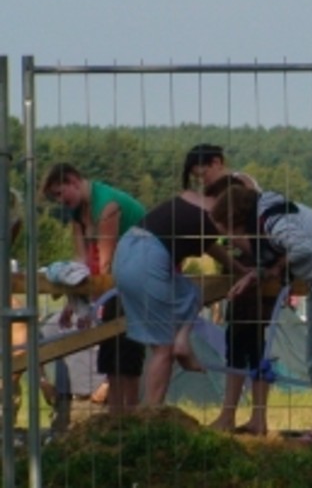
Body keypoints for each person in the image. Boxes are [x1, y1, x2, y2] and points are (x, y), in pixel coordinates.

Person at [210, 184, 312, 445]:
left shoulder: (272, 221)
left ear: (235, 221)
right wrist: (256, 275)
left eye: (227, 233)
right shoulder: (273, 210)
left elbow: (302, 248)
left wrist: (279, 265)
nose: (229, 240)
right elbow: (288, 250)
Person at [111, 184, 244, 406]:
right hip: (149, 259)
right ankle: (153, 413)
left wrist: (237, 268)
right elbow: (242, 241)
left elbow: (211, 245)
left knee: (190, 292)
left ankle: (182, 340)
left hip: (125, 252)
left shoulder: (191, 202)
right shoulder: (216, 218)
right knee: (163, 348)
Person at [42, 163, 147, 416]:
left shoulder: (107, 206)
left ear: (73, 181)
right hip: (112, 283)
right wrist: (73, 304)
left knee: (128, 350)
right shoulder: (78, 214)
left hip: (137, 278)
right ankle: (114, 416)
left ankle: (129, 414)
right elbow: (81, 264)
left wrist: (93, 308)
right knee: (110, 350)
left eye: (59, 193)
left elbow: (105, 262)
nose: (59, 201)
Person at [183, 146, 274, 436]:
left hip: (253, 272)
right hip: (246, 271)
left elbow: (241, 234)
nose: (203, 183)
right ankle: (239, 415)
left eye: (204, 174)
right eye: (197, 180)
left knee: (250, 344)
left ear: (217, 163)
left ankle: (245, 416)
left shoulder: (234, 188)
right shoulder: (235, 187)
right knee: (243, 343)